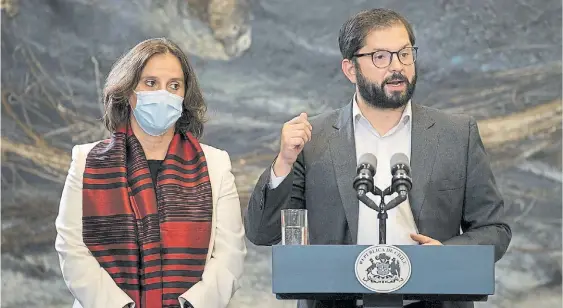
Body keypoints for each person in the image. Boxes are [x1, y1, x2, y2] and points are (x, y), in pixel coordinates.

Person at [244, 8, 511, 308]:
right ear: (350, 69)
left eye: (404, 54)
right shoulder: (313, 138)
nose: (397, 67)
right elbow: (261, 232)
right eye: (380, 57)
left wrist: (447, 255)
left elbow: (494, 229)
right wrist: (283, 163)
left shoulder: (456, 134)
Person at [55, 38, 247, 308]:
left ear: (184, 96)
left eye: (174, 85)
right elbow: (71, 248)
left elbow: (230, 258)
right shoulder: (86, 161)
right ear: (129, 90)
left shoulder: (215, 164)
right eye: (151, 83)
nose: (163, 94)